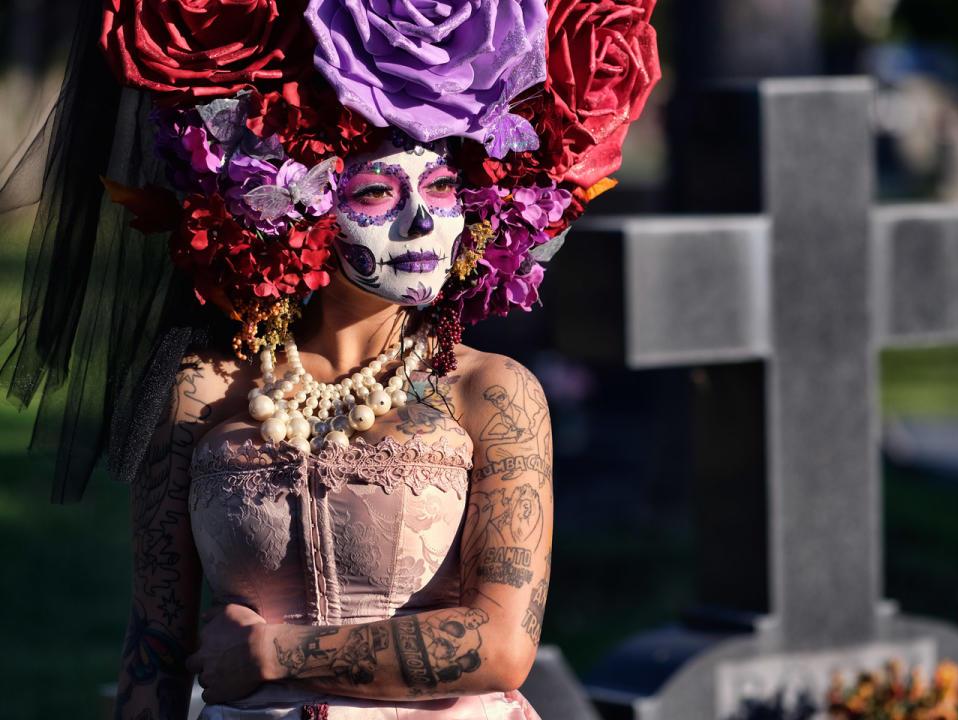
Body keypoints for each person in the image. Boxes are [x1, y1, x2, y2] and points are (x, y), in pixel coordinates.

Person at [0, 0, 659, 718]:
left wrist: (273, 654)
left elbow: (501, 646)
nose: (420, 221)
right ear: (298, 211)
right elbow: (153, 648)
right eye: (377, 191)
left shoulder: (492, 392)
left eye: (441, 187)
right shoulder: (201, 389)